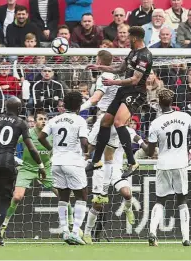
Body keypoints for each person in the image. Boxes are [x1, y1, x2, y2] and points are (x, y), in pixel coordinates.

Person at [80, 50, 139, 243]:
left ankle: (128, 207)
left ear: (98, 61)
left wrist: (78, 109)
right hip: (113, 125)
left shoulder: (105, 77)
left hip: (106, 120)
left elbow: (96, 98)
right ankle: (88, 233)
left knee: (91, 143)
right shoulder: (118, 76)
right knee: (98, 202)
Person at [0, 96, 46, 247]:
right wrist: (41, 165)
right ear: (19, 109)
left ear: (5, 106)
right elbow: (31, 147)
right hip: (7, 163)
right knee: (5, 199)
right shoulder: (21, 123)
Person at [86, 26, 153, 176]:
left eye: (129, 37)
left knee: (118, 123)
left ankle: (132, 162)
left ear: (134, 38)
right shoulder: (132, 52)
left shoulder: (145, 56)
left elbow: (135, 80)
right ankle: (96, 160)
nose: (127, 39)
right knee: (105, 122)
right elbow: (120, 69)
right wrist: (100, 66)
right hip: (124, 91)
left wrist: (114, 83)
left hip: (136, 93)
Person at [1, 111, 78, 237]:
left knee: (63, 195)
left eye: (45, 119)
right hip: (27, 168)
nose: (43, 121)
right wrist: (14, 159)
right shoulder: (27, 134)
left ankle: (71, 224)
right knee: (17, 197)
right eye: (40, 119)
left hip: (46, 169)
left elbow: (57, 151)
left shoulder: (51, 135)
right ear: (34, 121)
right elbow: (10, 145)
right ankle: (3, 225)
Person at [146, 88, 191, 247]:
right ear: (172, 102)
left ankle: (152, 232)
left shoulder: (155, 123)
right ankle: (185, 238)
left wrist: (139, 141)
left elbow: (150, 151)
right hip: (180, 163)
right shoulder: (184, 116)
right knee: (182, 200)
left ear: (159, 102)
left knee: (160, 200)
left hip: (163, 164)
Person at [38, 91, 89, 245]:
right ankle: (75, 232)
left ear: (65, 105)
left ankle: (65, 231)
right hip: (73, 161)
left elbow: (41, 137)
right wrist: (86, 153)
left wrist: (52, 149)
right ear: (79, 106)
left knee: (63, 197)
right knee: (82, 196)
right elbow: (84, 141)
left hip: (57, 162)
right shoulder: (80, 120)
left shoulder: (55, 119)